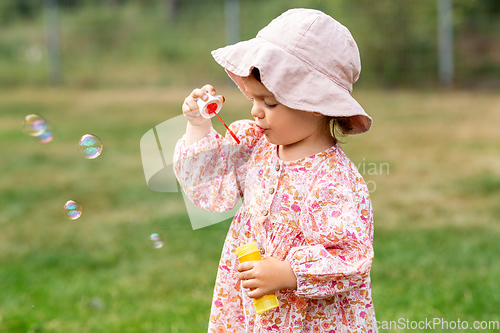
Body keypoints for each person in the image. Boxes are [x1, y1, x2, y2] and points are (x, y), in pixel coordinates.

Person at [174, 8, 377, 333]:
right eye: (254, 99)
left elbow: (350, 258)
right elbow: (212, 189)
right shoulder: (256, 145)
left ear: (315, 104)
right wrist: (198, 126)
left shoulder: (331, 179)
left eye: (269, 103)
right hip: (251, 312)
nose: (256, 112)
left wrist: (290, 273)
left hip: (307, 319)